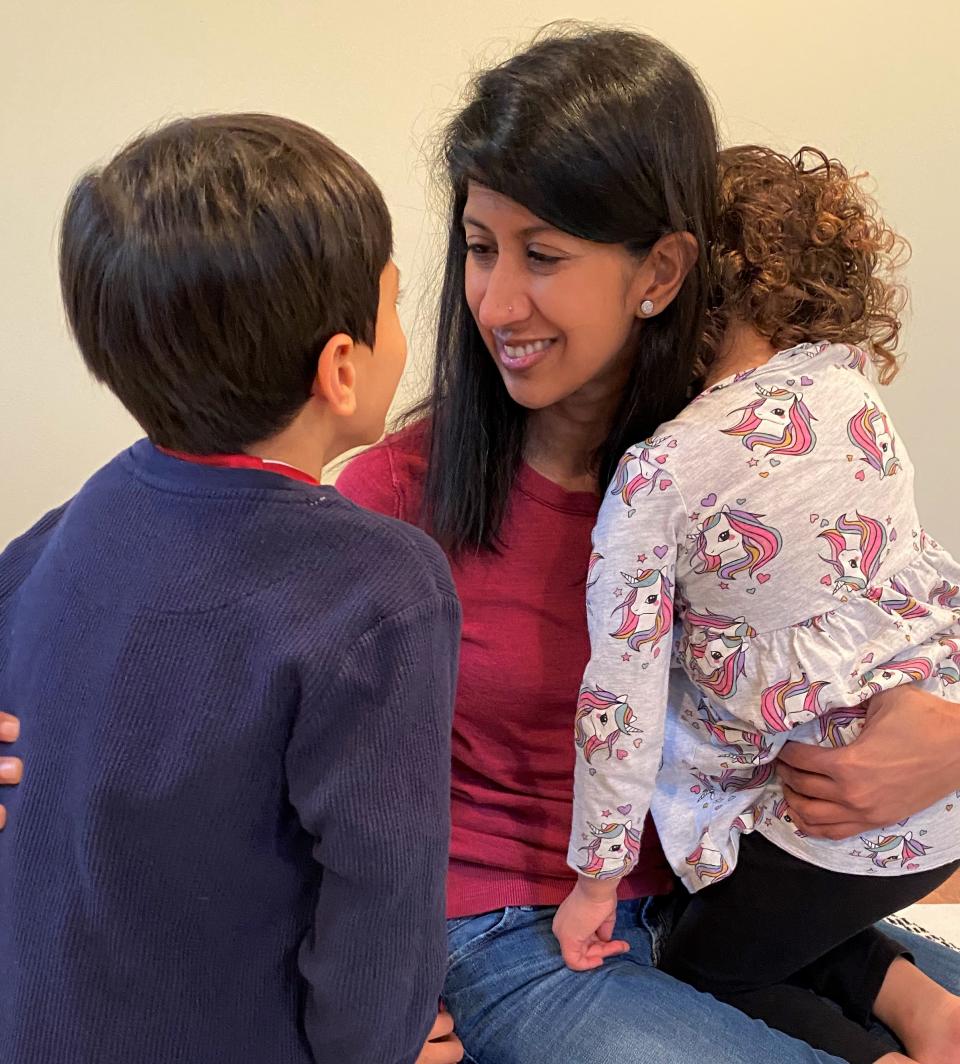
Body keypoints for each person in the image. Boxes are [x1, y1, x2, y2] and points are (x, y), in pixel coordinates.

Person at [336, 25, 960, 1064]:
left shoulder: (740, 466)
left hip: (710, 895)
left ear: (661, 270)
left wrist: (950, 735)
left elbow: (905, 604)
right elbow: (252, 722)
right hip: (505, 930)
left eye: (544, 255)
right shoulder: (394, 495)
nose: (495, 303)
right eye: (480, 248)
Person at [0, 113, 460, 1064]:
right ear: (342, 367)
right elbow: (382, 892)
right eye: (395, 302)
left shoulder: (69, 525)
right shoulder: (384, 590)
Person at [554, 143, 960, 1064]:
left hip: (831, 821)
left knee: (702, 964)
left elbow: (619, 702)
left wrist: (595, 880)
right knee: (759, 912)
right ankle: (927, 1010)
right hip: (936, 789)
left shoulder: (660, 475)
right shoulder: (854, 391)